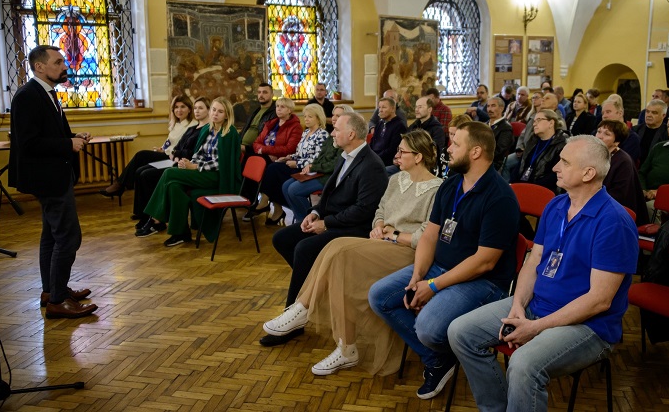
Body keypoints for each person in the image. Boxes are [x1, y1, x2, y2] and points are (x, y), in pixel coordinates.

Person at [448, 135, 639, 412]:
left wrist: (536, 327)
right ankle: (496, 408)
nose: (554, 167)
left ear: (588, 173)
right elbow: (535, 259)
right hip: (537, 306)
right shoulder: (556, 206)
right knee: (460, 332)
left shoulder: (614, 223)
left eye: (564, 162)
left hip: (589, 326)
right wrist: (517, 305)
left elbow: (599, 300)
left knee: (523, 364)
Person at [261, 130, 443, 376]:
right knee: (337, 255)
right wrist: (379, 226)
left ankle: (303, 309)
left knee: (340, 251)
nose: (397, 156)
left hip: (407, 251)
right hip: (383, 243)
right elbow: (380, 211)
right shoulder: (397, 180)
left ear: (419, 157)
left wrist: (394, 235)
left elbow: (426, 236)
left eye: (402, 152)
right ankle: (343, 345)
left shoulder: (437, 189)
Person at [369, 121, 520, 400]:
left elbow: (485, 262)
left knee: (427, 327)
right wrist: (418, 276)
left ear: (476, 152)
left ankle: (442, 351)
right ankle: (439, 358)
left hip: (482, 282)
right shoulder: (452, 184)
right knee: (379, 296)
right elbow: (430, 235)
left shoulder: (499, 196)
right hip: (440, 269)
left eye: (455, 144)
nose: (448, 149)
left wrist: (433, 286)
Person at [262, 112, 389, 347]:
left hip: (355, 228)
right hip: (334, 219)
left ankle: (293, 318)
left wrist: (327, 223)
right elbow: (328, 195)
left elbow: (364, 210)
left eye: (336, 129)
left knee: (304, 249)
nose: (332, 133)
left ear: (351, 134)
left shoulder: (372, 165)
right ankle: (315, 291)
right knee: (282, 238)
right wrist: (315, 213)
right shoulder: (344, 156)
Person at [8, 44, 97, 318]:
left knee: (51, 236)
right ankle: (59, 301)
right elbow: (29, 143)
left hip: (54, 174)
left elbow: (50, 133)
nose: (64, 66)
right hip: (47, 178)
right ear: (39, 67)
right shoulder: (27, 96)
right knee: (69, 237)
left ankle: (51, 291)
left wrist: (73, 137)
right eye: (57, 62)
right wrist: (67, 145)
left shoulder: (46, 92)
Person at [140, 97, 242, 246]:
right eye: (214, 110)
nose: (215, 114)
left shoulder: (229, 133)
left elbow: (222, 163)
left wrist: (196, 167)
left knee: (169, 173)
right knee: (174, 186)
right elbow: (199, 153)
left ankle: (155, 217)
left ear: (227, 115)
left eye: (220, 112)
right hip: (203, 172)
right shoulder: (208, 129)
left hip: (218, 177)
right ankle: (181, 233)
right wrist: (189, 162)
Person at [132, 97, 211, 230]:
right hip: (175, 160)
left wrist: (176, 153)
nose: (197, 111)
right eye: (196, 108)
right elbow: (178, 147)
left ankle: (155, 218)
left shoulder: (204, 130)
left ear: (208, 110)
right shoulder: (193, 128)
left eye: (201, 108)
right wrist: (176, 153)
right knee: (141, 171)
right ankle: (146, 215)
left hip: (184, 164)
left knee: (147, 175)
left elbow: (191, 153)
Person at [99, 94, 194, 197]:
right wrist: (162, 149)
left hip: (173, 158)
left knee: (141, 156)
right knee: (139, 168)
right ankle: (122, 186)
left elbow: (183, 148)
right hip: (166, 153)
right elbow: (170, 142)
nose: (179, 110)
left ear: (189, 109)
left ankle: (120, 185)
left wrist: (169, 152)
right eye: (176, 107)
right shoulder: (176, 124)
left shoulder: (191, 126)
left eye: (183, 107)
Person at [251, 103, 329, 225]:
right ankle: (292, 213)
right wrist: (288, 157)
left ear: (318, 118)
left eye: (310, 117)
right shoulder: (306, 132)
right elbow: (299, 152)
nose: (306, 119)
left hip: (310, 170)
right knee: (276, 173)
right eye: (305, 116)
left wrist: (296, 163)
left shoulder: (322, 135)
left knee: (274, 170)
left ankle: (269, 202)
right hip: (299, 165)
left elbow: (317, 159)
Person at [282, 105, 352, 224]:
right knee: (286, 186)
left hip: (330, 176)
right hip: (319, 172)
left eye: (338, 115)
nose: (334, 118)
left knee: (294, 190)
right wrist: (310, 166)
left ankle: (307, 221)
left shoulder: (343, 137)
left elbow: (335, 164)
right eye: (333, 115)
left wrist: (313, 166)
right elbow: (320, 157)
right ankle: (301, 219)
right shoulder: (331, 135)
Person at [241, 97, 303, 219]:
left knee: (270, 169)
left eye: (282, 107)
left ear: (290, 110)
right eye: (277, 106)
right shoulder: (271, 123)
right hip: (267, 156)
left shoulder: (295, 127)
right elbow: (256, 143)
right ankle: (251, 199)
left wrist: (265, 150)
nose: (278, 109)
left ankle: (264, 202)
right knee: (250, 159)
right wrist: (266, 151)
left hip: (283, 159)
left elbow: (289, 149)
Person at [596, 120, 649, 225]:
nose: (600, 136)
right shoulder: (596, 155)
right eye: (599, 131)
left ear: (616, 141)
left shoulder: (623, 161)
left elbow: (619, 195)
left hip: (617, 213)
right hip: (599, 204)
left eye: (607, 134)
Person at [511, 109, 567, 194]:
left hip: (542, 190)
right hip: (523, 185)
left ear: (551, 123)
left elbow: (554, 176)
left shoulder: (562, 143)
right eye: (534, 121)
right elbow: (521, 164)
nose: (534, 124)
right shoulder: (533, 140)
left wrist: (531, 187)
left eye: (539, 120)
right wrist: (512, 183)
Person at [404, 96, 446, 172]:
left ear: (429, 109)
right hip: (409, 162)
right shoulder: (414, 125)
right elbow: (405, 142)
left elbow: (435, 152)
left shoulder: (437, 129)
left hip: (425, 167)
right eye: (416, 107)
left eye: (420, 107)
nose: (416, 110)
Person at [600, 96, 640, 163]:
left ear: (620, 113)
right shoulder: (597, 134)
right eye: (603, 113)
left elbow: (623, 163)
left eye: (608, 112)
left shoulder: (632, 138)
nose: (604, 116)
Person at [240, 83, 277, 155]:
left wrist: (247, 148)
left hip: (255, 151)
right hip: (242, 149)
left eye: (265, 92)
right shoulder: (256, 110)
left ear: (272, 95)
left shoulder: (275, 112)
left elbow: (268, 138)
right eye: (259, 92)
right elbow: (245, 129)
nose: (261, 95)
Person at [370, 97, 407, 167]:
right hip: (375, 158)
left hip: (387, 162)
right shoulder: (379, 124)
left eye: (384, 107)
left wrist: (375, 158)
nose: (380, 110)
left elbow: (392, 150)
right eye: (379, 107)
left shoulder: (399, 126)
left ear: (393, 109)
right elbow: (373, 142)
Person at [632, 99, 669, 164]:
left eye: (654, 113)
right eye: (647, 111)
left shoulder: (668, 133)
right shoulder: (635, 130)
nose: (649, 115)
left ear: (663, 116)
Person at [487, 96, 513, 174]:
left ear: (501, 108)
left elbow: (499, 152)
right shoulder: (484, 125)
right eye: (488, 106)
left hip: (494, 163)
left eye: (493, 106)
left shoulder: (506, 128)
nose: (489, 109)